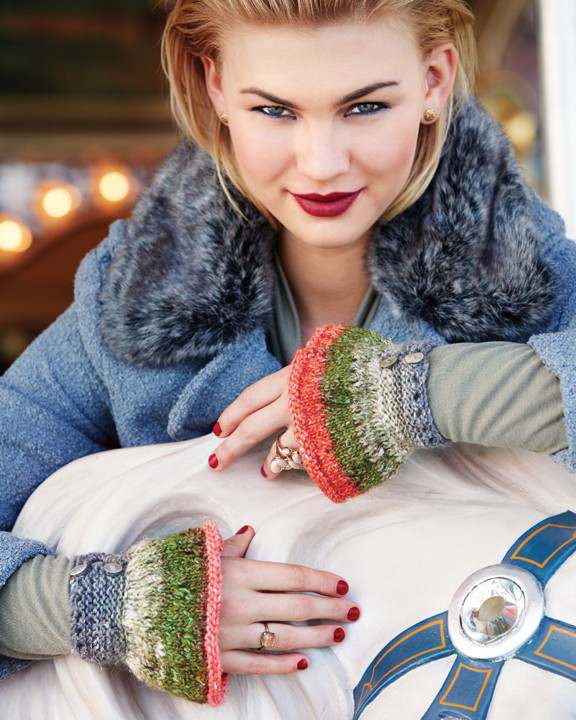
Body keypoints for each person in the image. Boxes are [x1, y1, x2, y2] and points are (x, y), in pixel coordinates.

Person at [0, 0, 574, 711]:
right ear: (215, 87)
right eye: (274, 111)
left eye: (364, 107)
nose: (321, 164)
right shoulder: (125, 309)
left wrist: (420, 396)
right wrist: (104, 607)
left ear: (434, 81)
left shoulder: (540, 286)